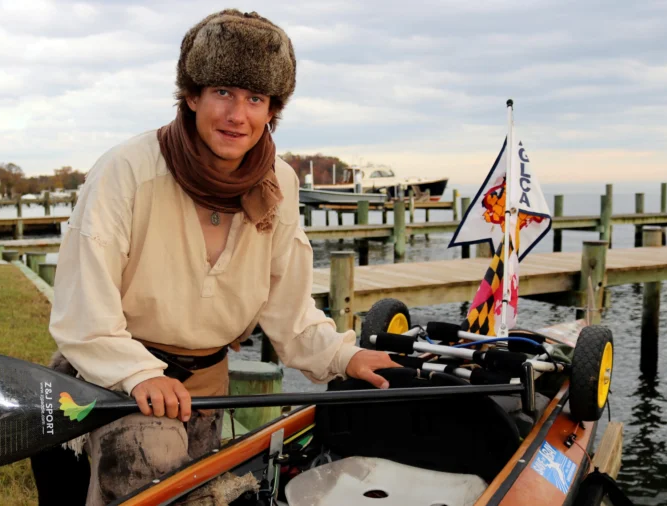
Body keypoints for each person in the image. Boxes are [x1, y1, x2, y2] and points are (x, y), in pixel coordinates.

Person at [30, 8, 397, 505]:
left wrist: (346, 356)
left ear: (272, 110)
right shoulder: (127, 171)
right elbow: (82, 313)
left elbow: (290, 314)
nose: (237, 115)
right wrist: (137, 373)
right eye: (223, 91)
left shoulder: (280, 184)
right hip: (116, 377)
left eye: (255, 98)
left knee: (206, 492)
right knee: (151, 470)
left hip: (206, 384)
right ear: (192, 94)